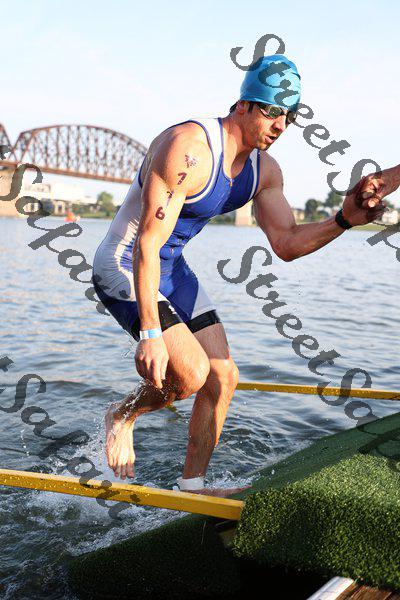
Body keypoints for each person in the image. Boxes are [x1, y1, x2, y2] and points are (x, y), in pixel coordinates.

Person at [92, 54, 397, 493]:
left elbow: (287, 243)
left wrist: (344, 220)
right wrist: (150, 334)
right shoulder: (188, 148)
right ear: (243, 105)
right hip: (126, 261)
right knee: (190, 374)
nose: (280, 125)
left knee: (223, 375)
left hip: (172, 267)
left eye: (289, 116)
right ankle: (123, 415)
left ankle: (192, 487)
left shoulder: (264, 171)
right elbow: (147, 244)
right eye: (271, 111)